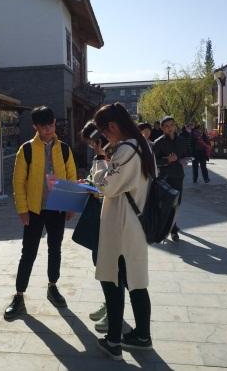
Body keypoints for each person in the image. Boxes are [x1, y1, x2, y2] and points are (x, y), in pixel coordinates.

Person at [92, 102, 155, 361]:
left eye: (104, 132)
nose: (104, 137)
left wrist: (99, 160)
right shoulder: (143, 145)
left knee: (113, 280)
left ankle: (114, 341)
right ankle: (142, 336)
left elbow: (106, 187)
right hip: (135, 222)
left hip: (121, 224)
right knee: (136, 282)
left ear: (113, 126)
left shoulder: (126, 150)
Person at [4, 106, 77, 319]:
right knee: (28, 253)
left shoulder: (64, 149)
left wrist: (70, 205)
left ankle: (53, 287)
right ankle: (19, 296)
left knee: (55, 249)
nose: (49, 130)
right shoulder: (26, 149)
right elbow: (18, 182)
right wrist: (22, 210)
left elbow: (71, 177)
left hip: (57, 208)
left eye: (51, 125)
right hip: (34, 210)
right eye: (44, 127)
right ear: (35, 127)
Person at [79, 121, 108, 332]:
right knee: (100, 263)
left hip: (111, 220)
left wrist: (98, 192)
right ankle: (109, 302)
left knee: (111, 269)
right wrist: (87, 183)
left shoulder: (115, 156)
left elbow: (108, 188)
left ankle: (114, 310)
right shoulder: (101, 156)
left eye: (92, 142)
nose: (92, 146)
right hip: (98, 218)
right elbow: (97, 181)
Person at [153, 116, 188, 242]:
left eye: (172, 125)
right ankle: (172, 230)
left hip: (178, 176)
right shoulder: (158, 142)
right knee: (167, 205)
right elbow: (154, 161)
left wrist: (184, 161)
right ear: (162, 128)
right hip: (165, 178)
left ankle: (171, 228)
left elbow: (184, 155)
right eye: (166, 126)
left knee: (177, 204)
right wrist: (167, 160)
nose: (170, 128)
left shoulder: (181, 140)